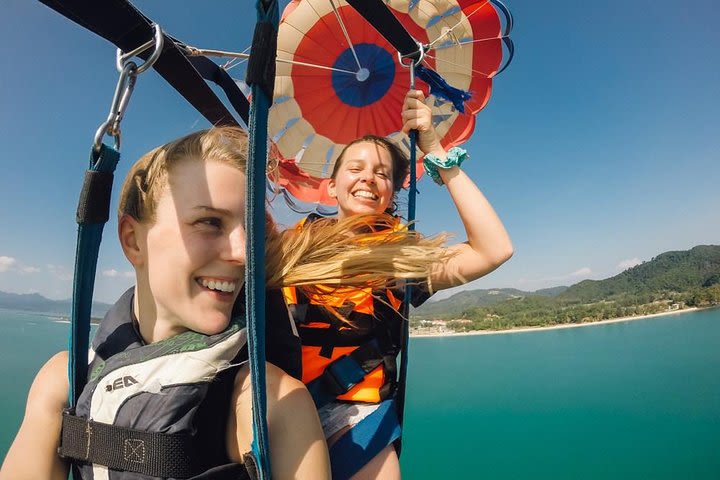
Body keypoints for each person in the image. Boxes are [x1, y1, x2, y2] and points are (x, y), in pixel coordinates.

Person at [0, 127, 448, 480]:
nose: (240, 253)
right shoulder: (65, 381)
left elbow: (489, 251)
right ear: (131, 240)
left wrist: (439, 155)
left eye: (250, 232)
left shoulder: (272, 406)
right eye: (210, 222)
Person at [283, 90, 514, 479]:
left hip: (357, 413)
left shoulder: (402, 261)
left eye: (383, 174)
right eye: (355, 169)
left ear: (392, 192)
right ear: (333, 185)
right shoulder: (288, 249)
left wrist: (435, 148)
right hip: (280, 403)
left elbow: (494, 249)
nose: (369, 179)